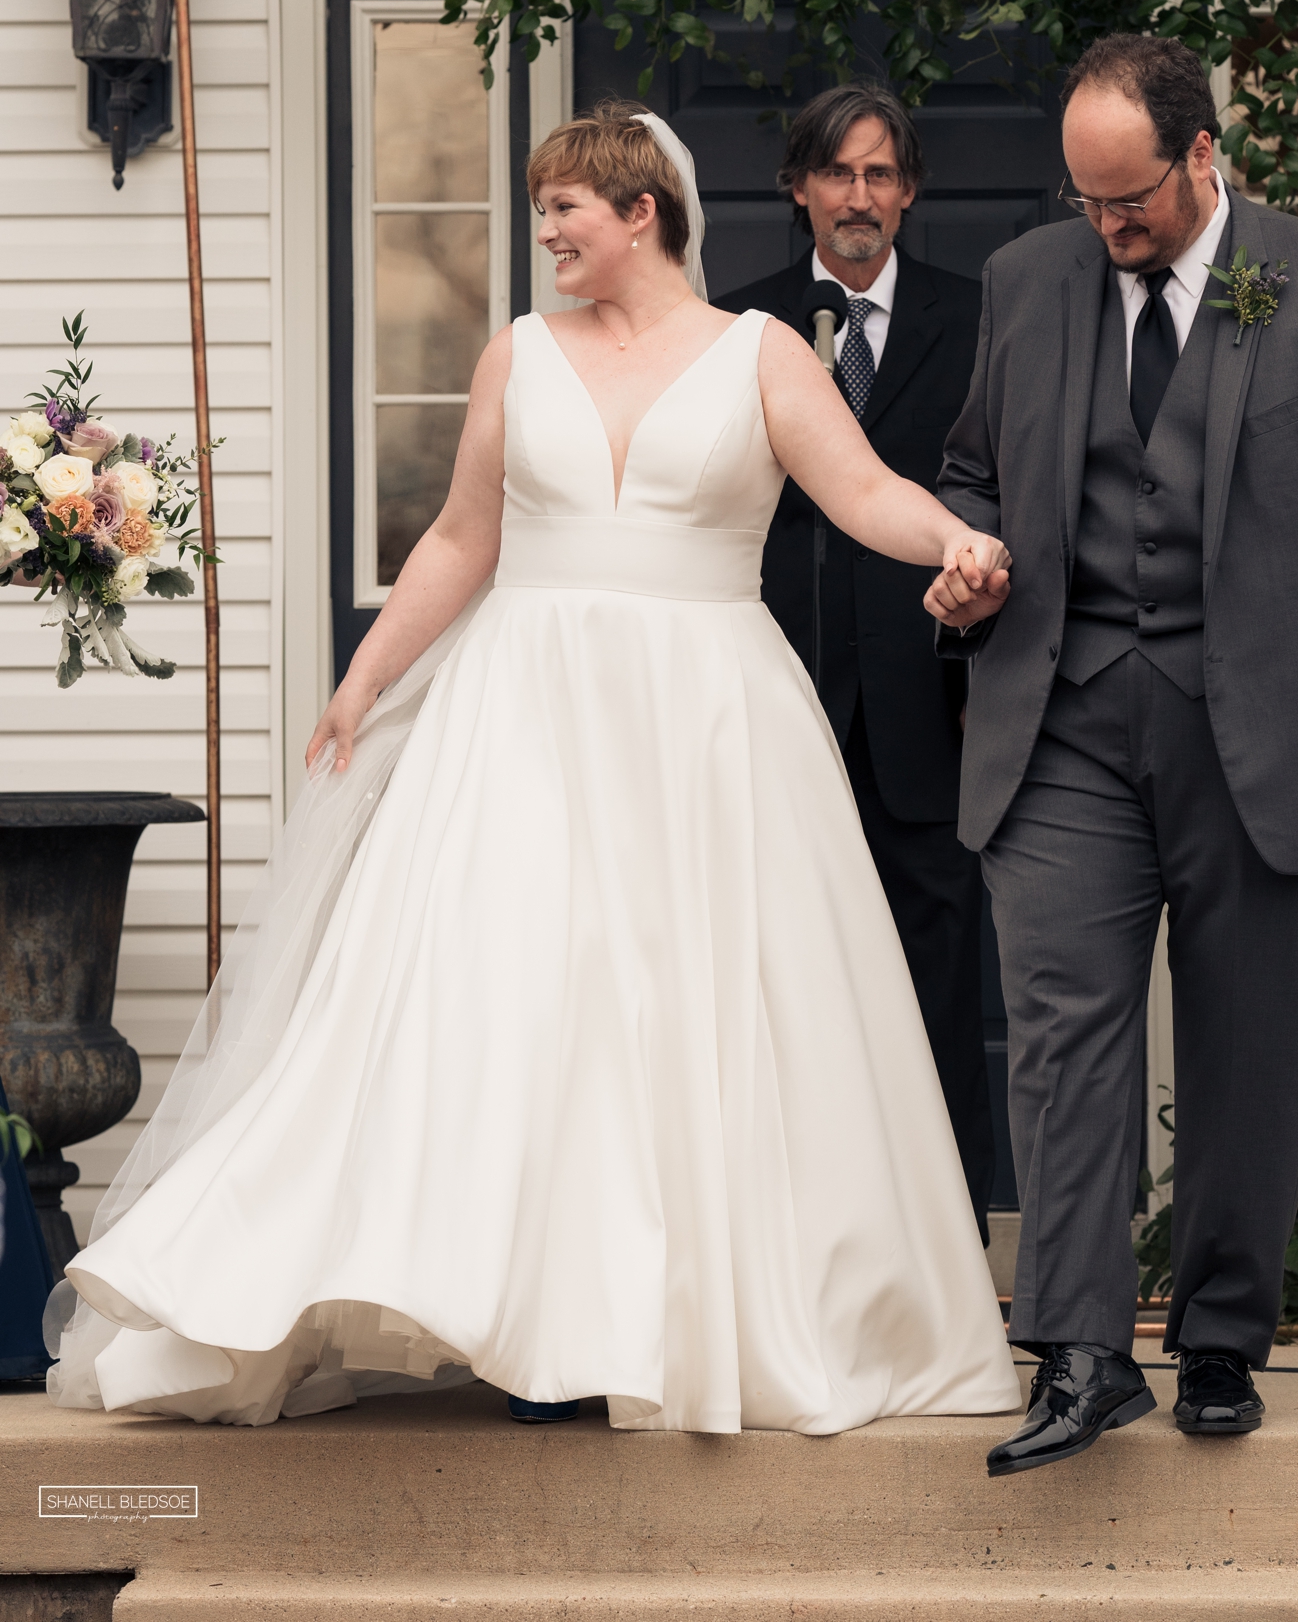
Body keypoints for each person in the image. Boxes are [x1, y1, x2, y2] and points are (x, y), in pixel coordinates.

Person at [47, 100, 1020, 1435]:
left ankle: (671, 1318)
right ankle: (528, 1328)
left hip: (709, 716)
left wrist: (960, 542)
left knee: (688, 1012)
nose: (547, 230)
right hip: (524, 710)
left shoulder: (763, 355)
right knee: (522, 1006)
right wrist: (368, 674)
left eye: (566, 206)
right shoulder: (519, 353)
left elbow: (863, 493)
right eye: (543, 206)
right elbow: (460, 535)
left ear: (641, 214)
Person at [926, 32, 1298, 1477]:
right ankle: (1084, 1352)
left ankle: (1224, 1338)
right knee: (1063, 1036)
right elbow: (975, 468)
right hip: (1059, 713)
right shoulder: (1029, 283)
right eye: (1085, 203)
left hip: (1277, 731)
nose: (1108, 231)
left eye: (1132, 203)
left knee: (1253, 1045)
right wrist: (963, 553)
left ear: (1201, 154)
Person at [717, 84, 992, 1243]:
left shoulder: (977, 320)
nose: (861, 197)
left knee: (935, 969)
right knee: (784, 970)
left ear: (910, 191)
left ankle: (946, 1234)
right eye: (839, 174)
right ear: (799, 189)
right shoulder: (740, 328)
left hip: (934, 699)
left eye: (881, 175)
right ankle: (793, 1227)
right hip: (779, 697)